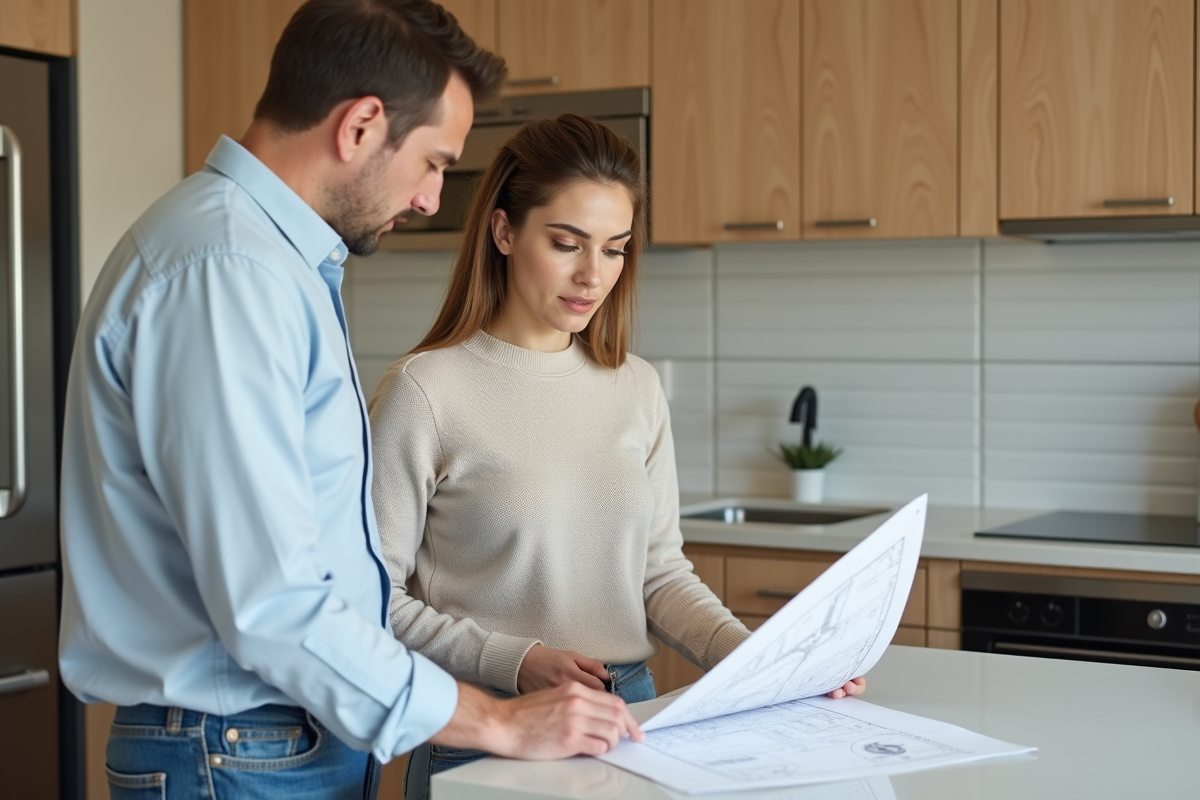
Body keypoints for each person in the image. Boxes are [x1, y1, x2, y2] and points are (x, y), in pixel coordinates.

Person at [58, 3, 640, 798]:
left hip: (274, 742)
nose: (435, 198)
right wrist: (497, 720)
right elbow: (271, 602)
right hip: (236, 751)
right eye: (435, 162)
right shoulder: (229, 274)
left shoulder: (269, 263)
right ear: (361, 125)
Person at [367, 113, 866, 800]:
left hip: (633, 715)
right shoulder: (425, 390)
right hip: (492, 722)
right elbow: (372, 599)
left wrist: (762, 662)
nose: (591, 275)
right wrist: (516, 662)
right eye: (567, 243)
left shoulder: (635, 386)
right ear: (505, 231)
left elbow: (660, 575)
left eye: (615, 249)